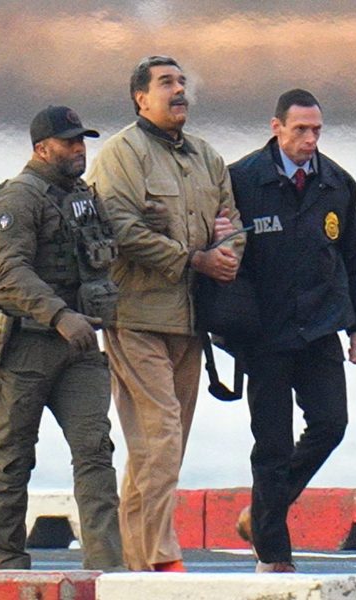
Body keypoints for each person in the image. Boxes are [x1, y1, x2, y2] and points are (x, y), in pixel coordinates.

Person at [88, 56, 242, 572]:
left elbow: (232, 223)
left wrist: (227, 254)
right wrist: (194, 258)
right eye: (166, 83)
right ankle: (160, 559)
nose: (179, 91)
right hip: (136, 317)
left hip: (190, 321)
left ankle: (135, 563)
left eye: (182, 82)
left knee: (162, 448)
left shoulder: (206, 157)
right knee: (160, 437)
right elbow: (120, 228)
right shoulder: (121, 154)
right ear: (141, 98)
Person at [227, 89, 356, 573]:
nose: (310, 140)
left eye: (316, 130)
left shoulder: (337, 183)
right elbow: (227, 258)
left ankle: (262, 514)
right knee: (271, 445)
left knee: (331, 424)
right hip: (265, 335)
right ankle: (274, 557)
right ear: (277, 128)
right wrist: (231, 327)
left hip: (319, 328)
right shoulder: (242, 180)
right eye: (300, 130)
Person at [0, 105, 125, 572]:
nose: (79, 149)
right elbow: (9, 271)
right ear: (42, 148)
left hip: (80, 349)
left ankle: (105, 569)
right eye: (69, 142)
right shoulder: (18, 199)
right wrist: (60, 315)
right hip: (27, 347)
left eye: (82, 141)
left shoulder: (82, 196)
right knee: (13, 457)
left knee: (95, 452)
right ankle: (8, 566)